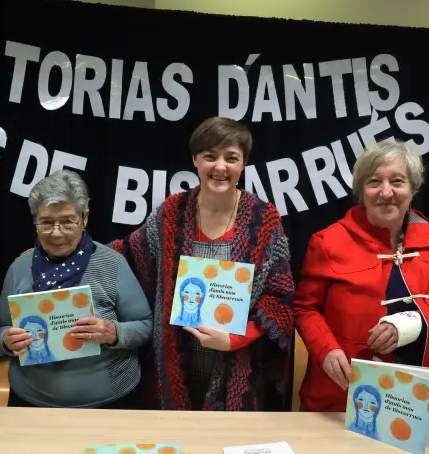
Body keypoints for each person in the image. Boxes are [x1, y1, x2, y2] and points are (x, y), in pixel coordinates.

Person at [112, 116, 295, 411]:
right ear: (195, 160)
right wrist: (74, 250)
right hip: (174, 366)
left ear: (243, 164)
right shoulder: (172, 212)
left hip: (239, 368)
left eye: (231, 158)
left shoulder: (264, 221)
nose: (220, 167)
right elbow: (127, 252)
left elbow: (279, 300)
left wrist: (237, 338)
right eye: (210, 156)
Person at [294, 139, 429, 414]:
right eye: (374, 182)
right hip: (346, 392)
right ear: (361, 191)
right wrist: (325, 349)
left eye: (398, 181)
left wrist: (410, 324)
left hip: (421, 400)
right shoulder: (328, 242)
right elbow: (305, 308)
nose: (386, 192)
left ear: (412, 189)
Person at [0, 170, 153, 409]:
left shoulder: (112, 264)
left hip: (110, 400)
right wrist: (8, 341)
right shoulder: (19, 268)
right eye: (47, 222)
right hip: (32, 400)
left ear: (85, 219)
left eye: (68, 221)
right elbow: (1, 328)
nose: (56, 233)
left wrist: (114, 332)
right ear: (35, 222)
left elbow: (145, 325)